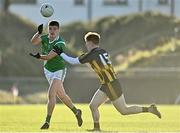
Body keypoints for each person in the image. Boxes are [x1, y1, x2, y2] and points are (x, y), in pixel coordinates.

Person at [52, 32, 162, 131]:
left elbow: (73, 61)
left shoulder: (92, 54)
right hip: (107, 84)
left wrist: (60, 53)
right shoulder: (102, 51)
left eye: (86, 42)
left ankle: (150, 109)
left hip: (111, 84)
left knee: (124, 110)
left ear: (90, 43)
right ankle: (96, 128)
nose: (86, 45)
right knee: (93, 106)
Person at [30, 20, 83, 129]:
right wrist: (38, 33)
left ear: (58, 30)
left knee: (51, 94)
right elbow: (33, 42)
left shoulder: (60, 43)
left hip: (59, 70)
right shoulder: (45, 38)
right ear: (48, 29)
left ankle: (47, 122)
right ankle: (76, 111)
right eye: (50, 28)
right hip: (48, 70)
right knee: (62, 96)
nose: (52, 31)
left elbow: (49, 56)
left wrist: (39, 56)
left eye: (55, 29)